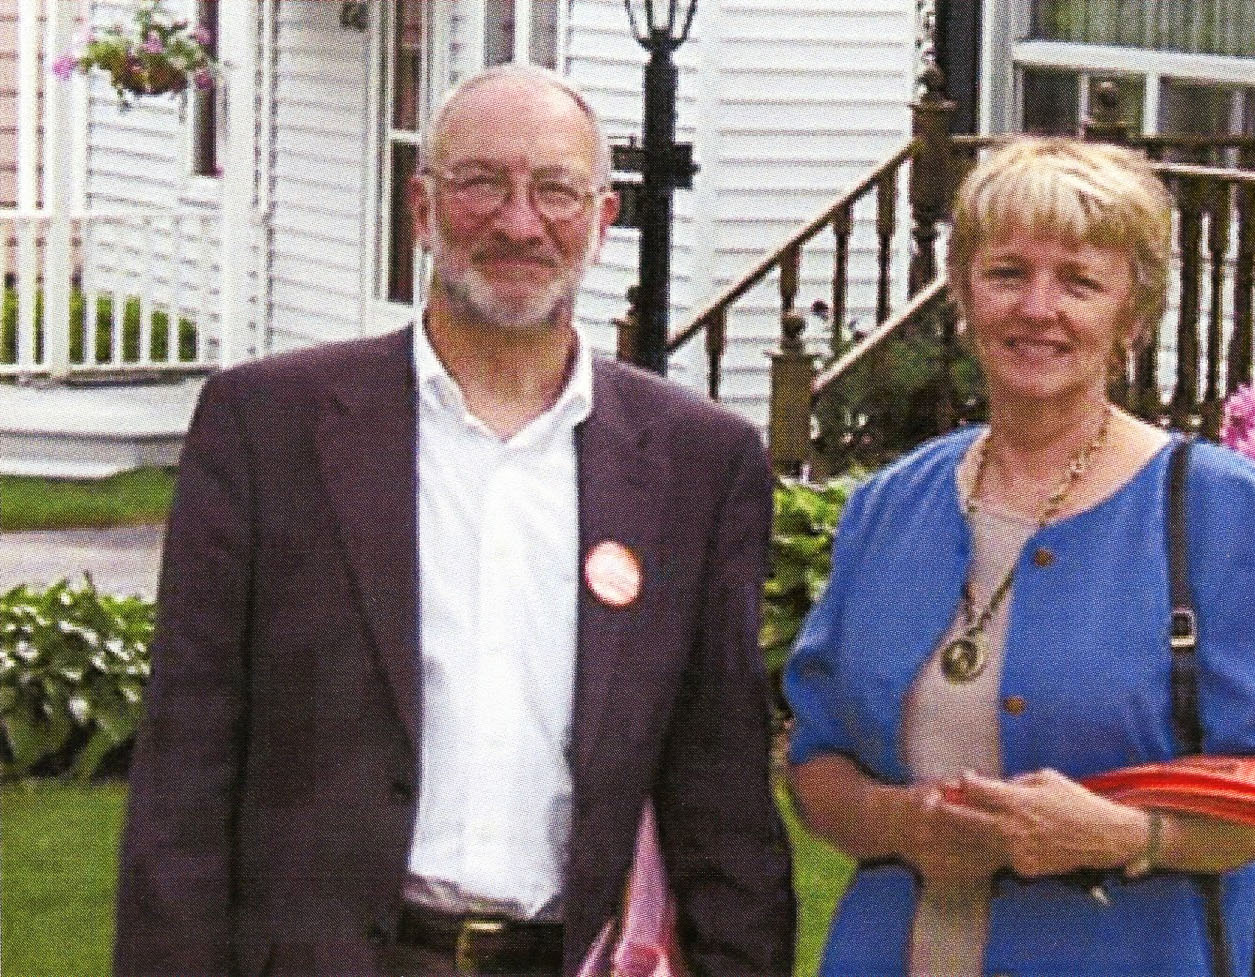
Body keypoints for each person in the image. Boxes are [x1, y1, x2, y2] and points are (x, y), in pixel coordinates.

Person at [114, 64, 794, 977]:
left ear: (601, 221)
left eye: (555, 189)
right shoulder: (269, 427)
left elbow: (722, 795)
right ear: (423, 208)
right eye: (481, 182)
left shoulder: (697, 466)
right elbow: (185, 769)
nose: (519, 222)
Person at [784, 138, 1255, 977]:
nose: (1037, 308)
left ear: (1132, 316)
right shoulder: (887, 508)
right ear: (965, 294)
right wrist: (902, 821)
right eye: (1007, 273)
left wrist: (1120, 834)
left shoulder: (1233, 518)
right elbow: (815, 759)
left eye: (1078, 281)